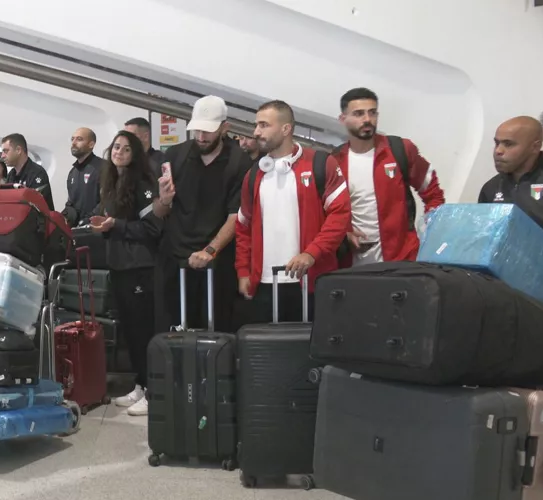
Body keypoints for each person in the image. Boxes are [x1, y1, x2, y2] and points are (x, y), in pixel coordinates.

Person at [235, 101, 351, 326]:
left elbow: (340, 215)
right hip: (264, 284)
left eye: (263, 125)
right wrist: (243, 271)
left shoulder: (320, 163)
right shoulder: (254, 174)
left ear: (286, 129)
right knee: (269, 355)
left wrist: (311, 254)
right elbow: (243, 226)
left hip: (312, 282)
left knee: (312, 351)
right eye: (256, 125)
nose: (256, 132)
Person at [147, 96, 250, 336]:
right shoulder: (175, 155)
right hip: (175, 257)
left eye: (208, 131)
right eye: (197, 131)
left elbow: (237, 216)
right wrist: (164, 199)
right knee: (174, 331)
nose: (201, 137)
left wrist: (210, 251)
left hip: (217, 260)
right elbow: (159, 211)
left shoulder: (239, 161)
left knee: (216, 331)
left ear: (225, 128)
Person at [88, 132, 162, 417]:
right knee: (129, 331)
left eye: (126, 148)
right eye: (116, 147)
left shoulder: (143, 183)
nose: (119, 152)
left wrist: (115, 225)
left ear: (135, 154)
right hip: (118, 265)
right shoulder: (110, 183)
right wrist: (103, 225)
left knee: (143, 331)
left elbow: (152, 229)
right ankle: (139, 385)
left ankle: (153, 390)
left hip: (140, 268)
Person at [331, 88, 446, 266]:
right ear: (343, 119)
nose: (367, 119)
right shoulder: (334, 162)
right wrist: (344, 235)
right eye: (359, 114)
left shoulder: (400, 149)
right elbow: (327, 215)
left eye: (372, 112)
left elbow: (434, 194)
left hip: (401, 260)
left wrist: (427, 235)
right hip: (352, 266)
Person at [478, 116, 543, 241]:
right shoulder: (490, 188)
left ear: (535, 147)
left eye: (508, 144)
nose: (498, 150)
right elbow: (483, 238)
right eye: (497, 143)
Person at [1, 133, 54, 210]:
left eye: (6, 151)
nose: (2, 156)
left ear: (18, 150)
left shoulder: (37, 173)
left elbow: (35, 207)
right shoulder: (11, 175)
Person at [63, 127, 103, 226]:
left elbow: (106, 202)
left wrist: (87, 221)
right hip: (76, 231)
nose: (73, 143)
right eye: (72, 139)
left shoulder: (103, 168)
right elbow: (71, 203)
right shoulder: (73, 172)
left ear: (91, 144)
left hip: (96, 230)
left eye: (79, 139)